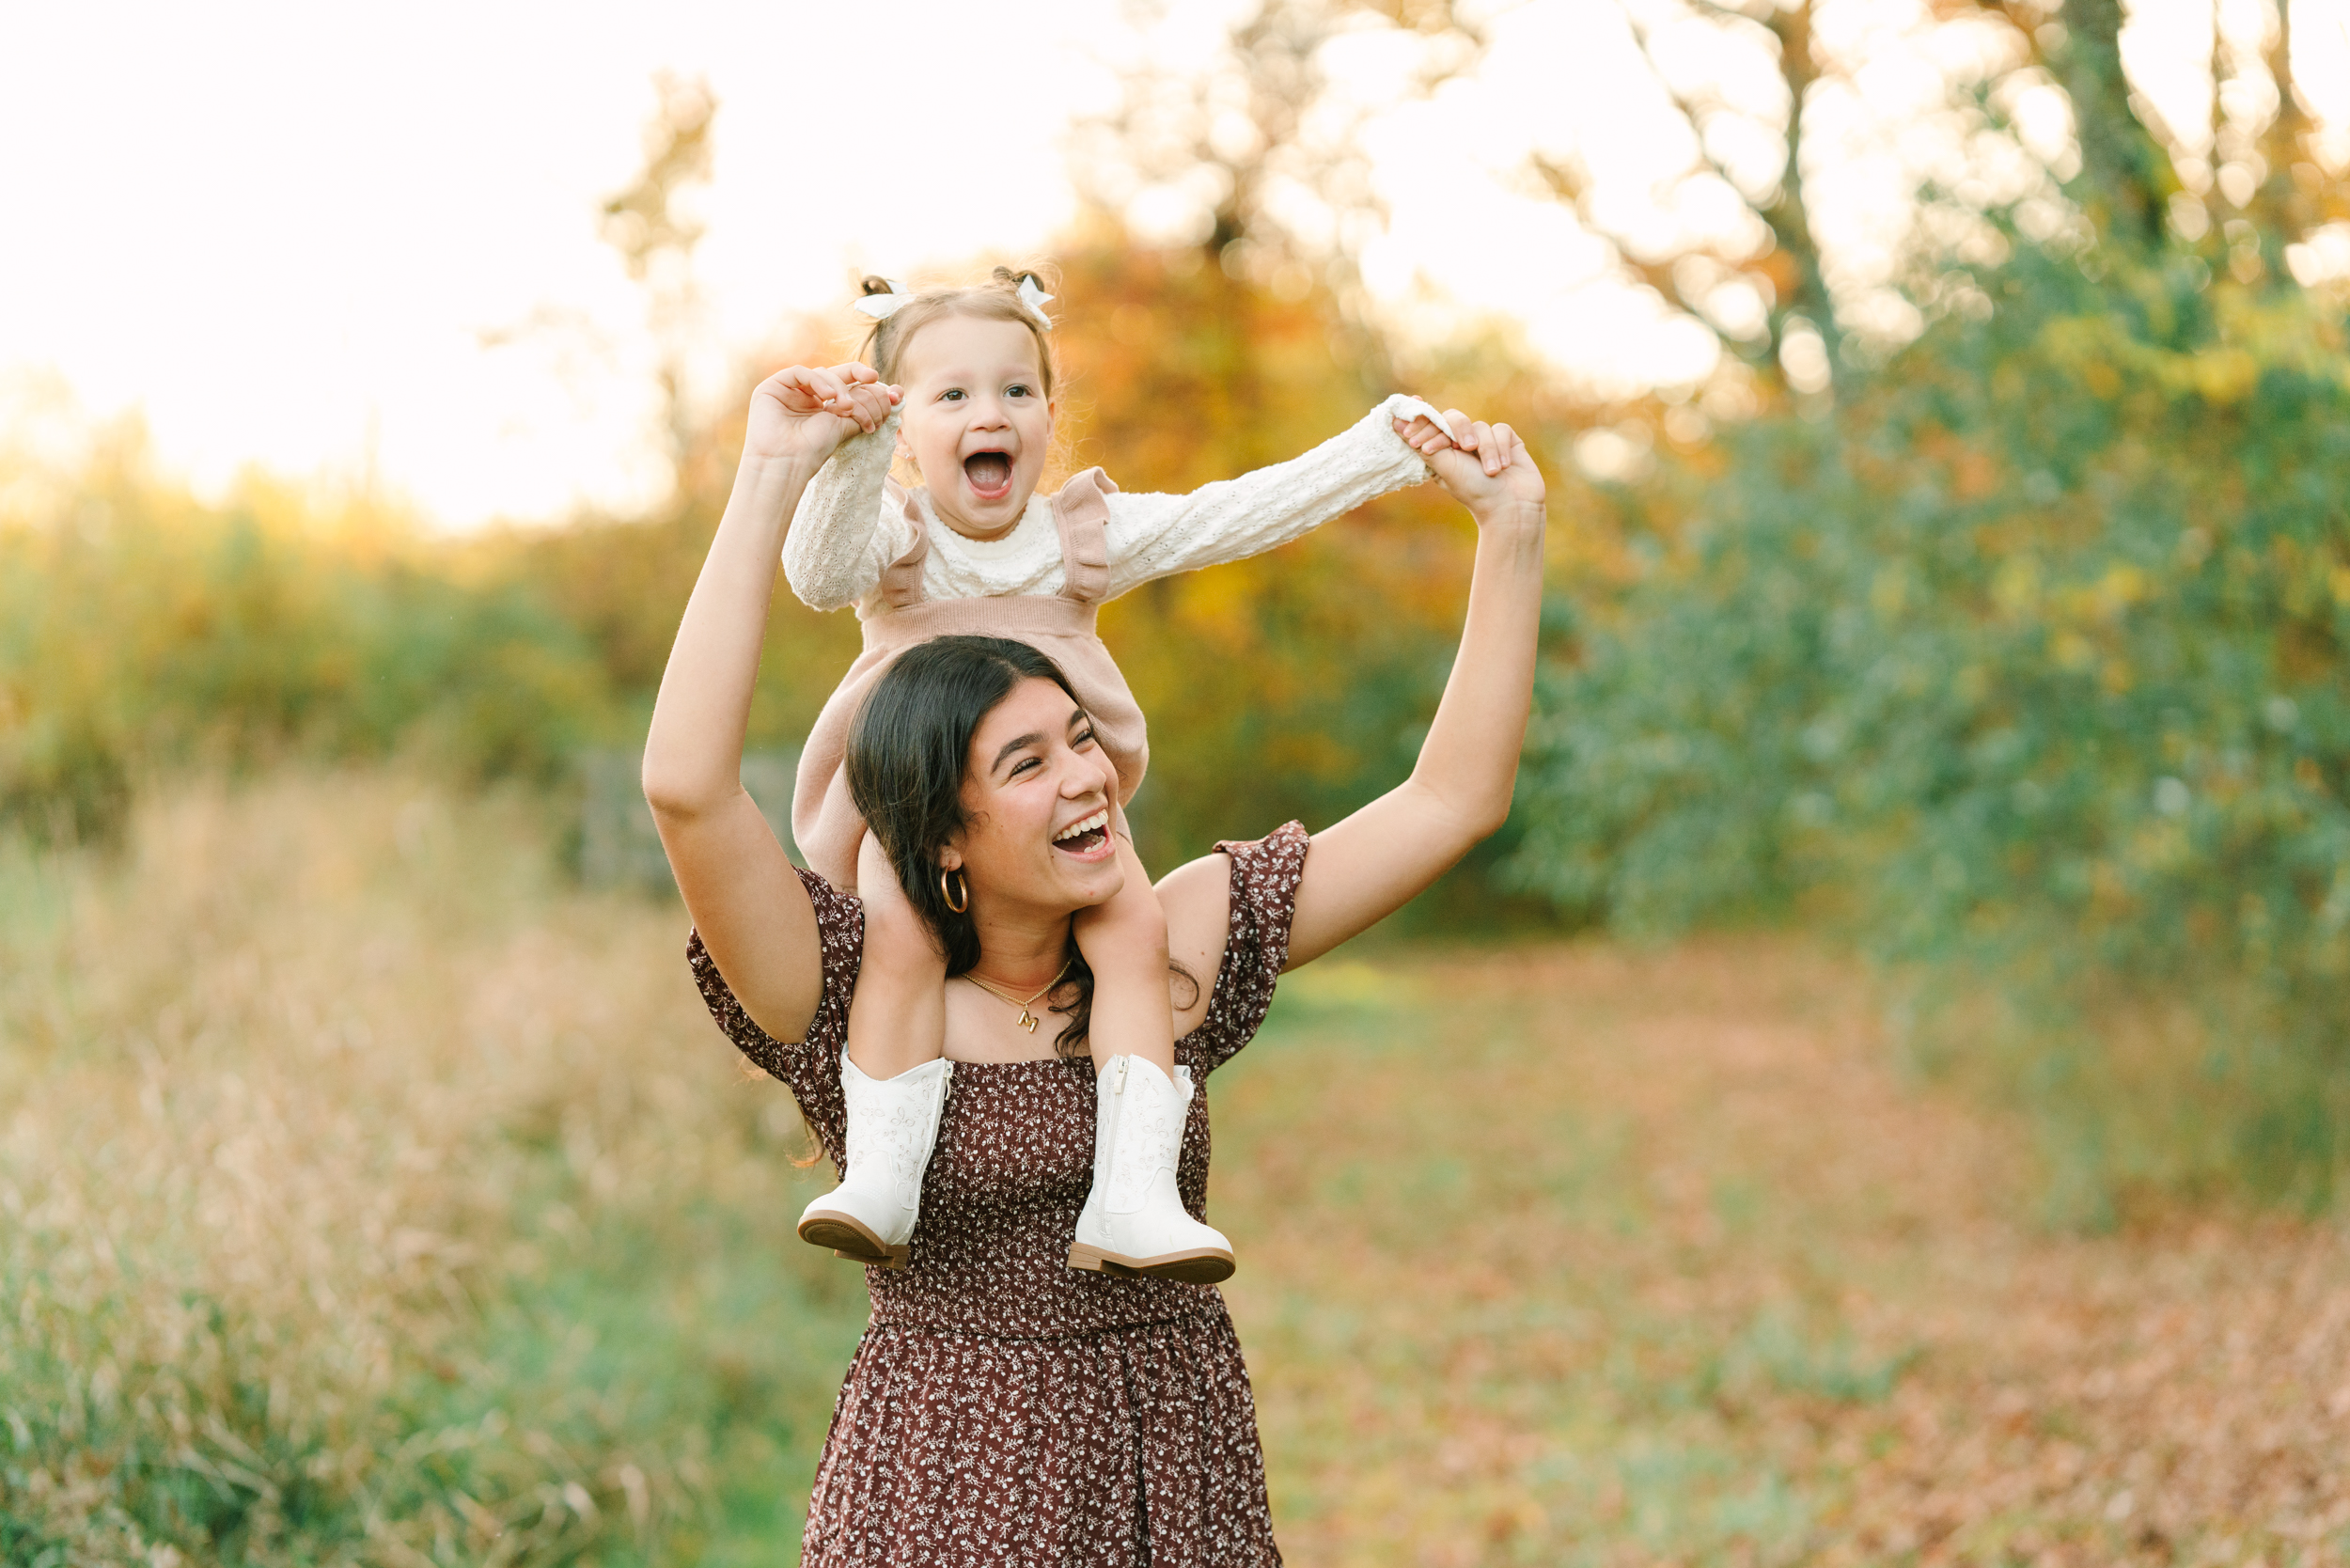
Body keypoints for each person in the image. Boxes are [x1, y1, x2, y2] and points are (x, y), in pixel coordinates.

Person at [640, 341, 1545, 1561]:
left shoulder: (1171, 940)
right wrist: (769, 474)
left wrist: (1511, 531)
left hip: (1173, 1477)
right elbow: (687, 790)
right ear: (942, 838)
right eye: (1028, 764)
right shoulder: (847, 983)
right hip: (941, 1493)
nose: (1088, 778)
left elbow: (1450, 801)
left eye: (1080, 738)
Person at [771, 265, 1459, 1278]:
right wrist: (856, 448)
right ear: (906, 426)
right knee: (901, 939)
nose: (989, 413)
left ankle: (1134, 1194)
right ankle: (881, 1177)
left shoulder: (1080, 537)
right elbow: (816, 574)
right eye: (951, 395)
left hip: (1068, 814)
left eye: (1015, 390)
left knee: (1136, 933)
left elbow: (1232, 514)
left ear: (1049, 417)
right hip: (913, 813)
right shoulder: (893, 534)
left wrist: (1382, 449)